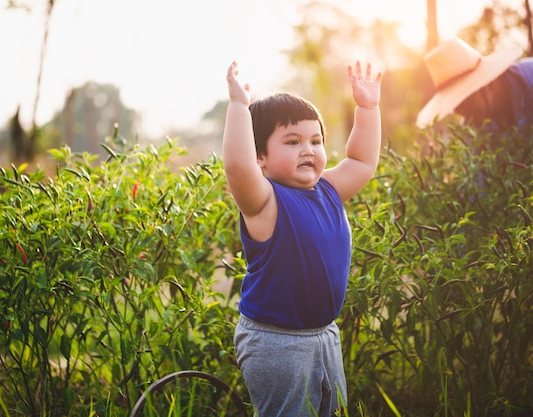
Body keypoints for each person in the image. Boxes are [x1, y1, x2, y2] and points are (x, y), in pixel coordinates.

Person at [222, 60, 382, 417]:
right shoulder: (264, 202)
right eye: (292, 142)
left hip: (324, 335)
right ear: (260, 157)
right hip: (275, 343)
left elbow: (361, 161)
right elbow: (237, 167)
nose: (308, 149)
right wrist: (238, 107)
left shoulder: (329, 190)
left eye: (315, 140)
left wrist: (367, 108)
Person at [416, 37, 533, 132]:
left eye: (466, 100)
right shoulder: (472, 132)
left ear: (488, 82)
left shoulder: (529, 79)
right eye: (456, 105)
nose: (464, 113)